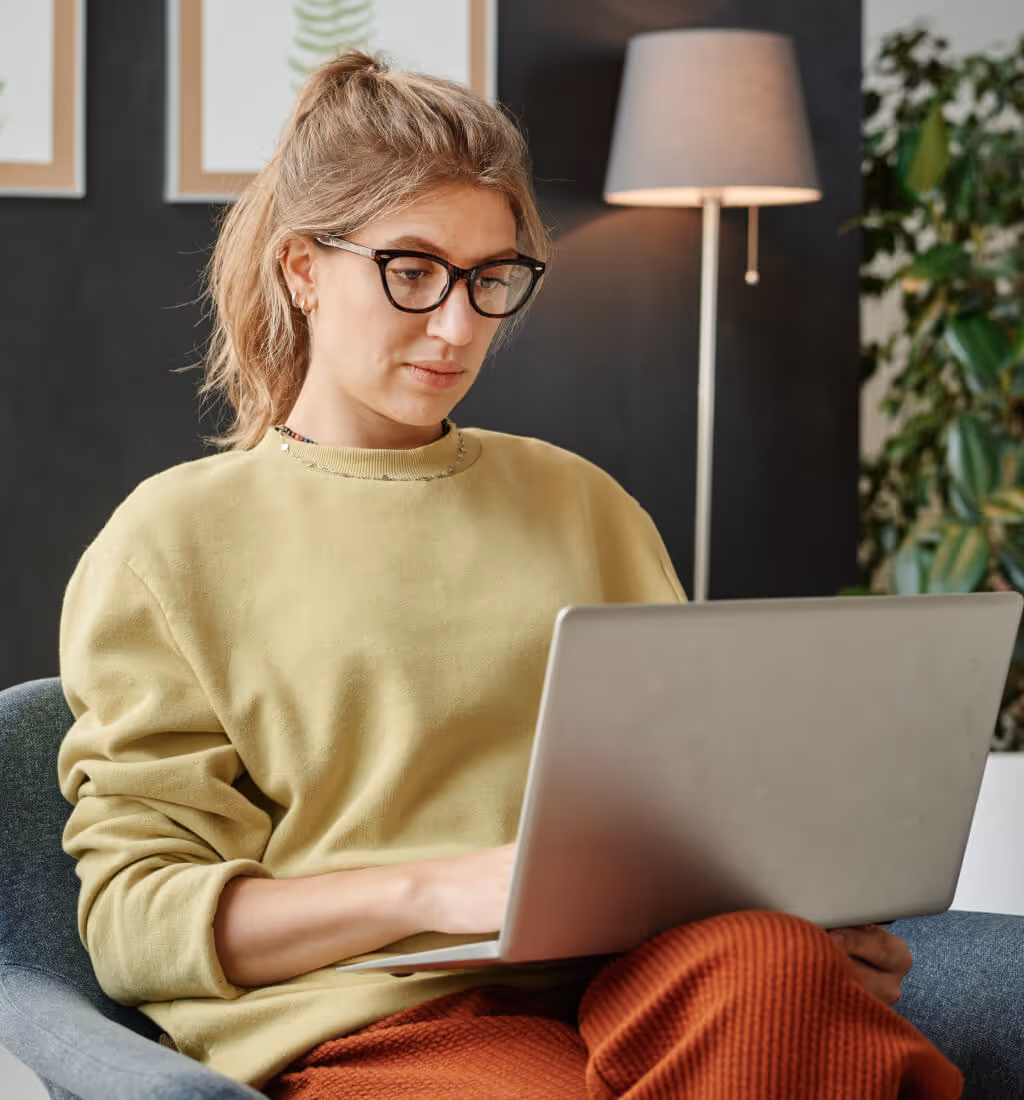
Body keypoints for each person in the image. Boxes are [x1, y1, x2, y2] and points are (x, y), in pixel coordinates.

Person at [56, 50, 963, 1098]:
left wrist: (804, 917)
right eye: (412, 270)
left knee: (783, 977)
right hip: (375, 1016)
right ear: (302, 267)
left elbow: (698, 805)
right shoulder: (171, 541)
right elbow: (134, 920)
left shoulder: (581, 501)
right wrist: (447, 888)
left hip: (632, 976)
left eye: (491, 277)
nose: (459, 324)